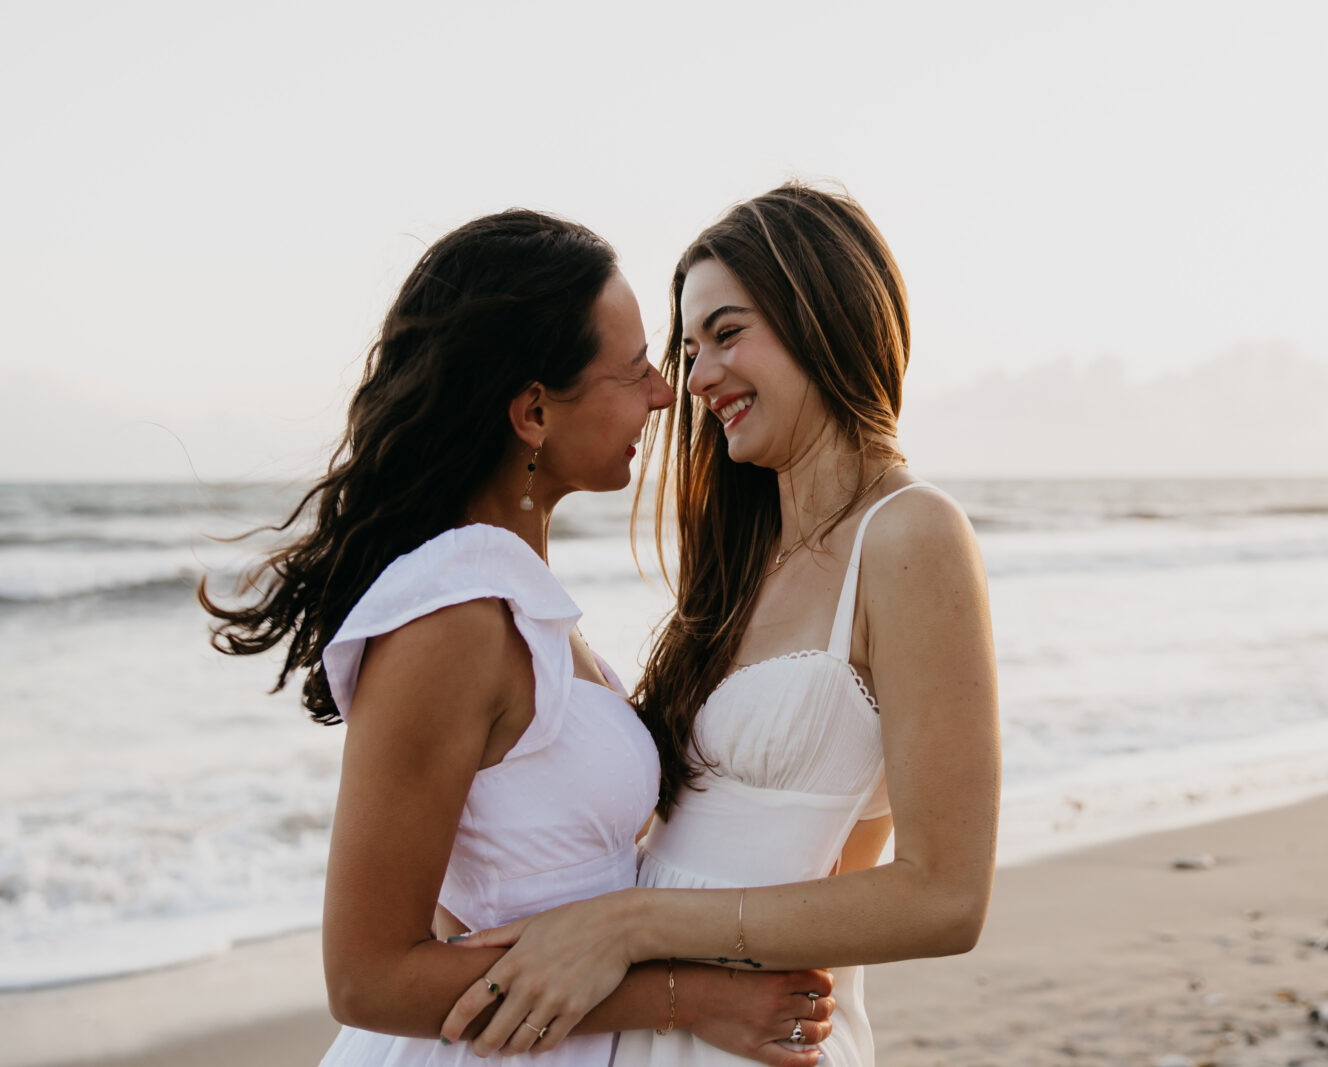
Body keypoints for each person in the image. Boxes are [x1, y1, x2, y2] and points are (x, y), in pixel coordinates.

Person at [200, 209, 838, 1066]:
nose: (665, 391)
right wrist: (692, 998)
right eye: (636, 368)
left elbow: (471, 888)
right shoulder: (452, 618)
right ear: (535, 411)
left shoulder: (512, 596)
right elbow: (366, 977)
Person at [439, 183, 1002, 1066]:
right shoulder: (744, 558)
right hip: (660, 1020)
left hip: (745, 1039)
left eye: (728, 334)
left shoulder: (910, 534)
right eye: (691, 347)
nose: (696, 380)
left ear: (825, 315)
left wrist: (630, 923)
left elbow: (945, 897)